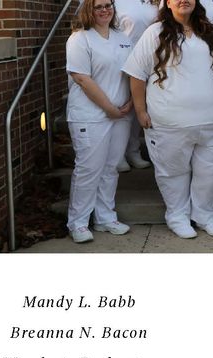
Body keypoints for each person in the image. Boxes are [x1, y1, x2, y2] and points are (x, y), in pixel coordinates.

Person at [124, 0, 213, 239]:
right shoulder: (156, 32)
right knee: (172, 173)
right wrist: (140, 111)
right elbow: (136, 74)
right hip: (169, 122)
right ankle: (177, 216)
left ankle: (204, 215)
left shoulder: (212, 33)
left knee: (212, 172)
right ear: (168, 3)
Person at [65, 0, 135, 243]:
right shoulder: (79, 39)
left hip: (121, 114)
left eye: (109, 5)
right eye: (98, 6)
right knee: (88, 170)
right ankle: (78, 222)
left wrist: (131, 103)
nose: (105, 10)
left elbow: (133, 72)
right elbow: (82, 78)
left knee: (110, 168)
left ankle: (106, 217)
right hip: (91, 116)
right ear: (88, 10)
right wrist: (109, 108)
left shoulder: (122, 37)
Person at [115, 0, 159, 172]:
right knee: (124, 106)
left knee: (140, 106)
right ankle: (118, 155)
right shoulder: (115, 3)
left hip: (151, 60)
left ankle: (133, 152)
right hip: (123, 60)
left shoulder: (154, 2)